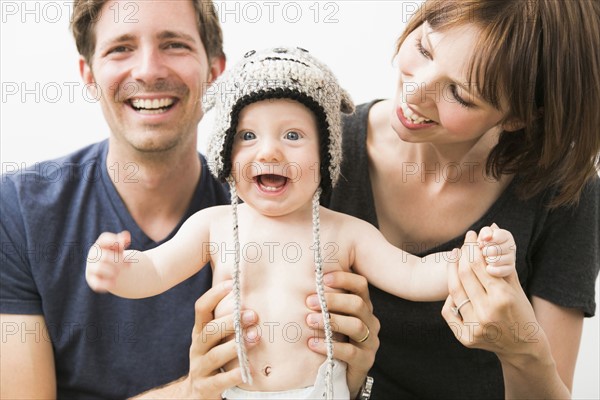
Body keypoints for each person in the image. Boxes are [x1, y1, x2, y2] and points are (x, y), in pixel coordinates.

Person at [85, 46, 517, 399]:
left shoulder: (344, 232)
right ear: (226, 154)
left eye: (293, 136)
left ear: (325, 155)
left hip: (322, 392)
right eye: (248, 136)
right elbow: (155, 271)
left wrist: (475, 257)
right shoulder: (214, 225)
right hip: (232, 391)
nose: (269, 152)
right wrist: (119, 268)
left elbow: (415, 273)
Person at [0, 2, 377, 399]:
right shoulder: (19, 211)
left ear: (215, 73)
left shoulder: (286, 205)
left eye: (174, 44)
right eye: (120, 48)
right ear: (89, 76)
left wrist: (348, 379)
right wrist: (192, 392)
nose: (148, 70)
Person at [328, 0, 600, 398]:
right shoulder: (320, 148)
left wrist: (522, 350)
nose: (416, 90)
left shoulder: (562, 192)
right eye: (423, 48)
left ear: (517, 117)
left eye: (459, 93)